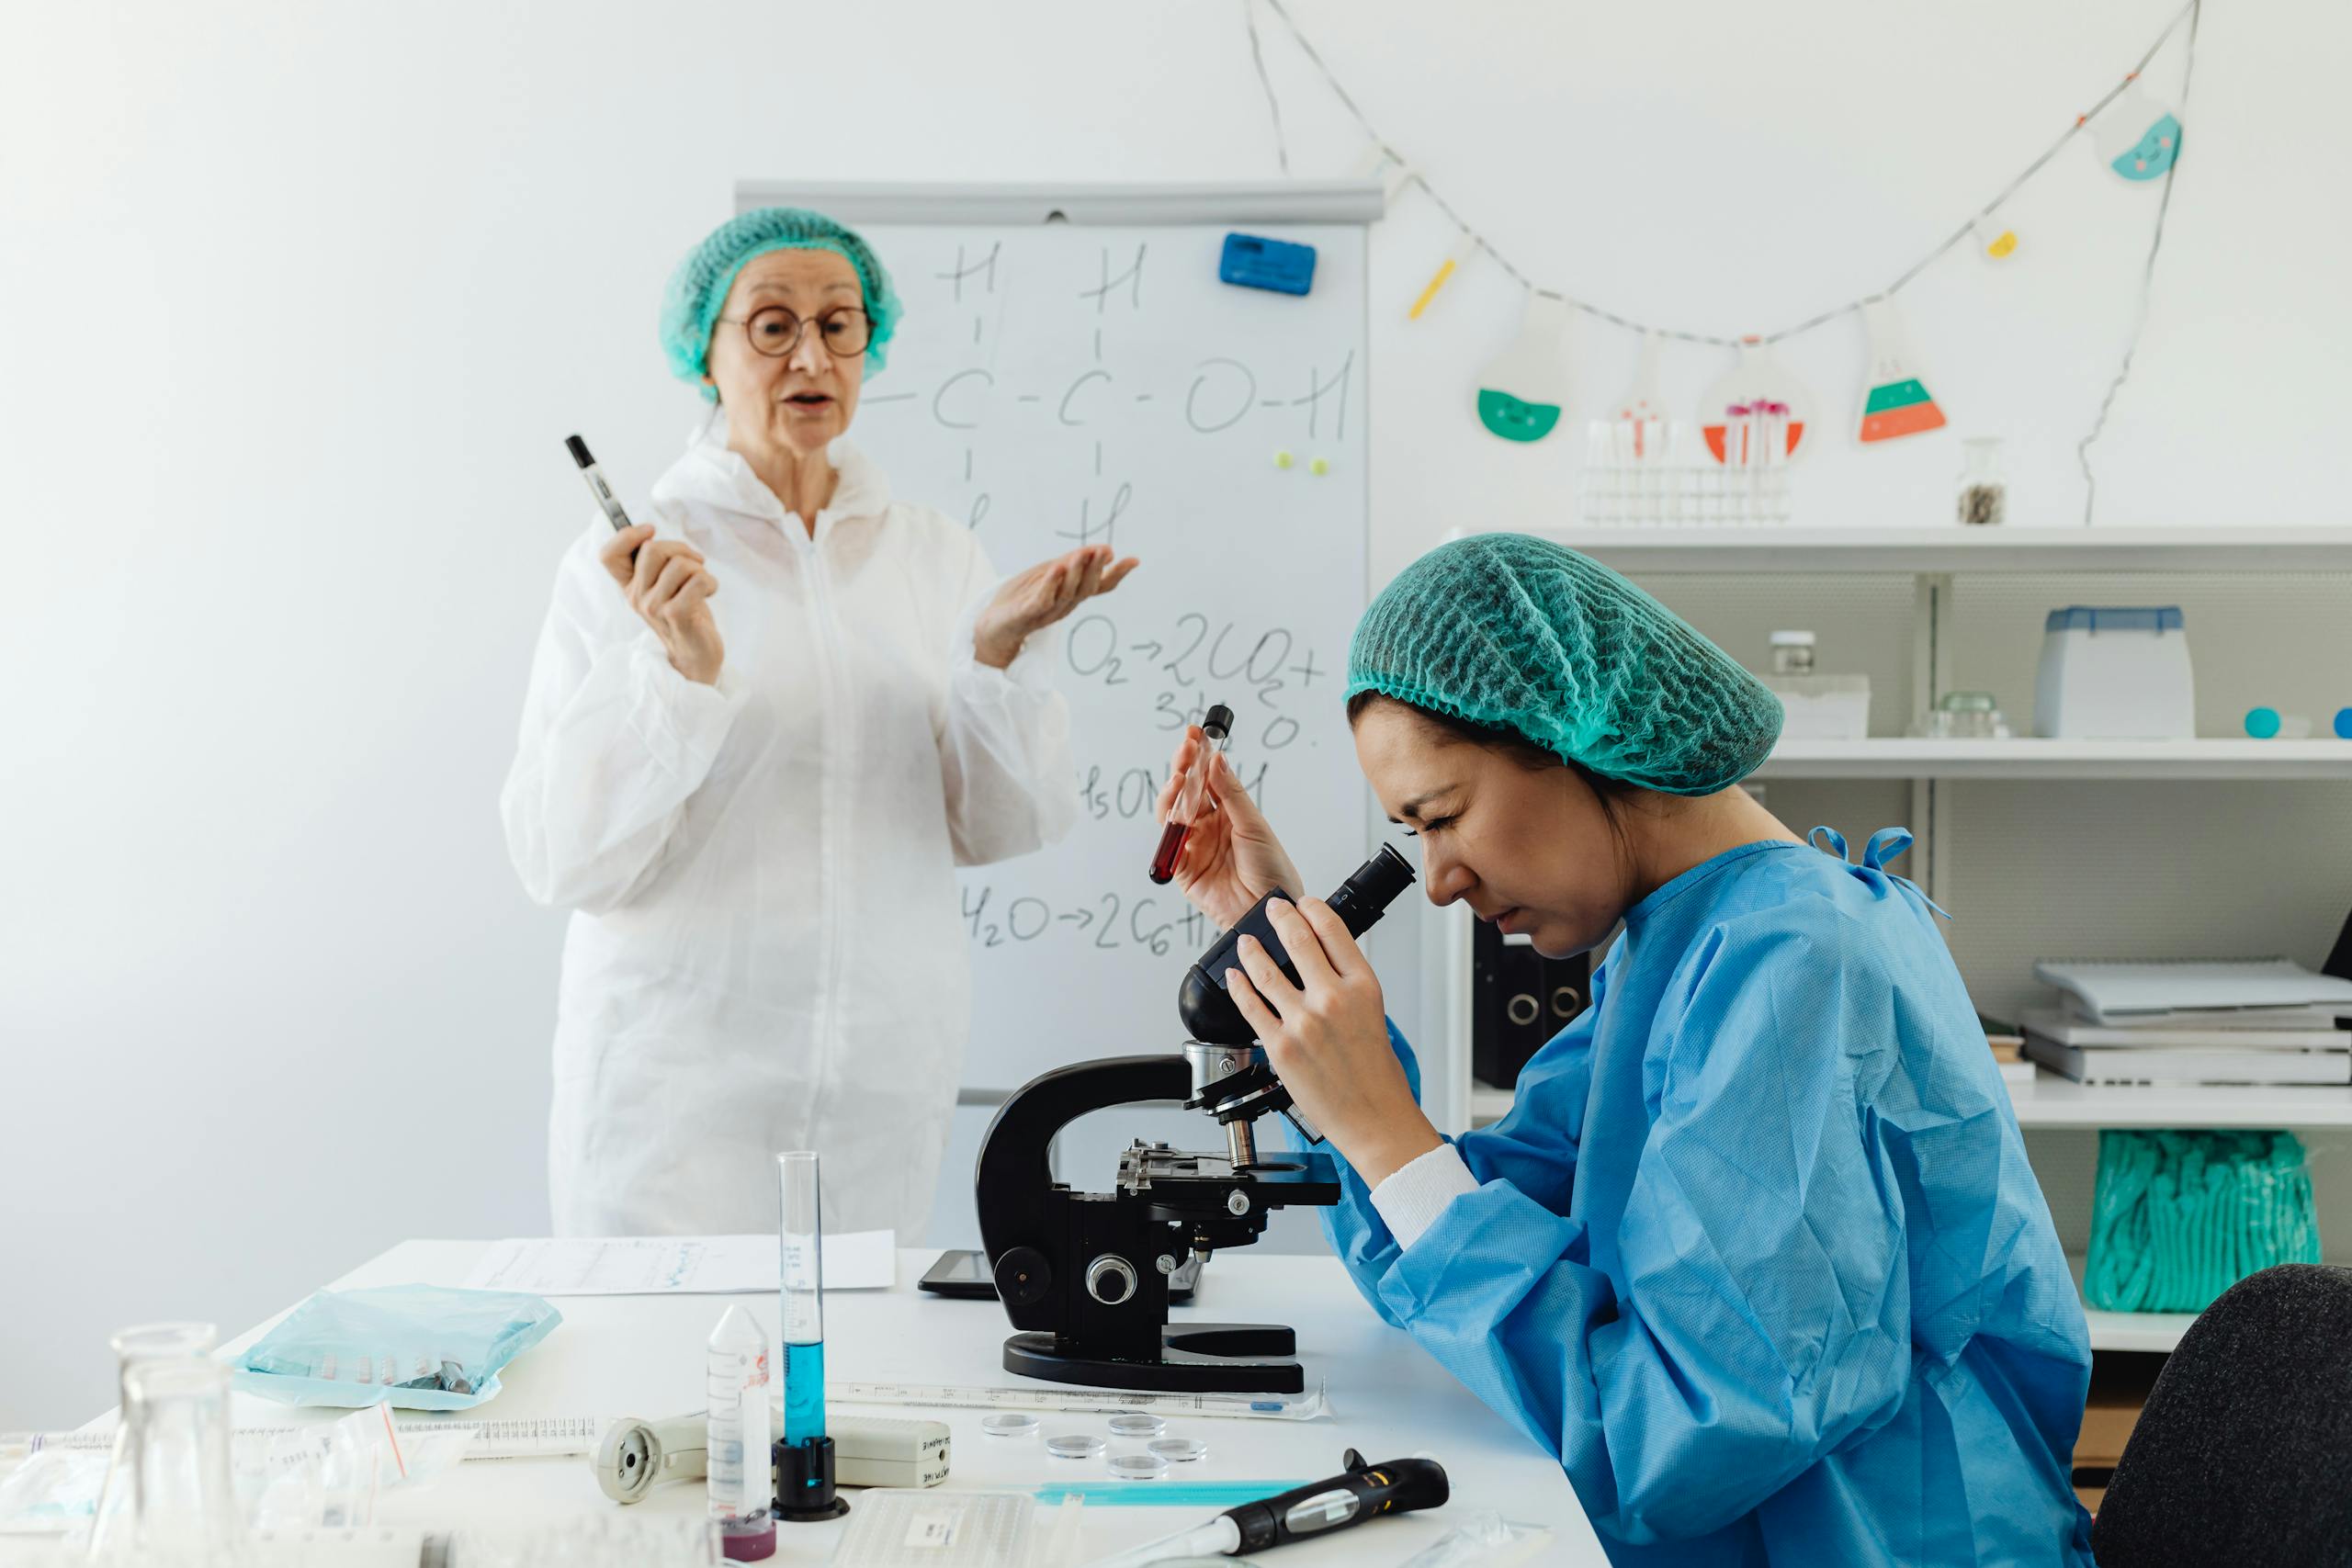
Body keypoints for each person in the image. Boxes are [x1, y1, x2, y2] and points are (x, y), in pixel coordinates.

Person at [1155, 533, 2093, 1564]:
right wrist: (1298, 991)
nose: (1435, 881)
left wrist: (1382, 1134)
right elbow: (1469, 1232)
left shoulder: (1795, 965)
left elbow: (1677, 1440)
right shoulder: (1693, 944)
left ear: (1584, 739)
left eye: (1444, 816)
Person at [503, 208, 1135, 1240]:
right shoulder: (631, 564)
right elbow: (562, 859)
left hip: (880, 1085)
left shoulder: (932, 556)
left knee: (852, 1385)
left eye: (840, 325)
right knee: (673, 1380)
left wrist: (997, 656)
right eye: (770, 325)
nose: (811, 354)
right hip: (674, 1087)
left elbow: (998, 827)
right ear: (703, 353)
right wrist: (679, 672)